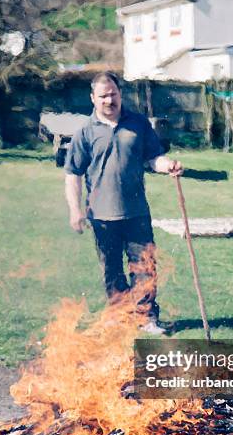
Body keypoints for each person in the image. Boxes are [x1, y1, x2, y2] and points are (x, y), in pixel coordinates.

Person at [64, 71, 183, 335]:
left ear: (120, 94)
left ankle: (146, 318)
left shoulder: (138, 124)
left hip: (136, 212)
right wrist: (75, 210)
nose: (109, 100)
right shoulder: (85, 132)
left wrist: (168, 166)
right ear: (93, 98)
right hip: (101, 215)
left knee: (144, 266)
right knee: (112, 270)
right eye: (103, 96)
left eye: (113, 94)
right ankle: (119, 315)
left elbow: (154, 158)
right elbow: (73, 174)